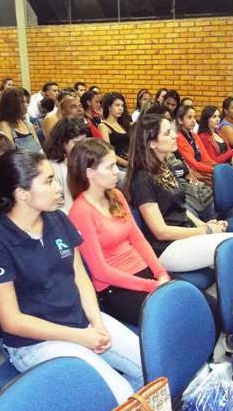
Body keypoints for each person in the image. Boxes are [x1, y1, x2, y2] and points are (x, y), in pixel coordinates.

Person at [0, 149, 143, 403]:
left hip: (80, 322)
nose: (58, 188)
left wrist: (96, 322)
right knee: (117, 395)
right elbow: (12, 321)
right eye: (49, 181)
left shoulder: (58, 219)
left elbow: (80, 277)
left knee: (151, 365)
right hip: (36, 342)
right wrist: (80, 336)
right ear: (22, 193)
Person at [125, 113, 233, 272]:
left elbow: (180, 208)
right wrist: (206, 231)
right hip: (167, 248)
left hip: (184, 236)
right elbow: (161, 232)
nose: (175, 135)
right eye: (167, 133)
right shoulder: (142, 179)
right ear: (152, 143)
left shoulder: (164, 168)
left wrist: (205, 225)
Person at [67, 138, 170, 326]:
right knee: (173, 315)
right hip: (116, 287)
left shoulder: (116, 195)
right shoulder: (80, 212)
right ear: (90, 173)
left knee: (201, 303)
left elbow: (138, 240)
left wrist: (161, 273)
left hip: (142, 271)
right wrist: (151, 285)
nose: (117, 171)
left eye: (115, 165)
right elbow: (100, 271)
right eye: (110, 167)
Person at [43, 116, 89, 213]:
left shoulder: (86, 161)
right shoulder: (54, 168)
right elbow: (57, 206)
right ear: (63, 142)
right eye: (76, 143)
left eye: (84, 142)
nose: (81, 147)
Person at [174, 104, 216, 185]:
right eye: (189, 117)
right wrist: (213, 169)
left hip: (202, 167)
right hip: (192, 170)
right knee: (219, 179)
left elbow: (206, 158)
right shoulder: (178, 137)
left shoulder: (195, 136)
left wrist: (218, 168)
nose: (193, 121)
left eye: (194, 117)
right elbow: (193, 164)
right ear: (180, 120)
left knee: (222, 174)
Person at [0, 87, 42, 152]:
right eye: (23, 102)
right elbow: (10, 153)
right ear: (13, 105)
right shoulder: (4, 125)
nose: (26, 105)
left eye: (26, 102)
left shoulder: (29, 125)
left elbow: (40, 150)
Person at [99, 92, 131, 170]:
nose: (120, 108)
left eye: (122, 106)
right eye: (117, 105)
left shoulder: (123, 124)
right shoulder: (103, 126)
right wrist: (128, 164)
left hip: (128, 160)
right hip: (116, 165)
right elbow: (107, 151)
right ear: (109, 107)